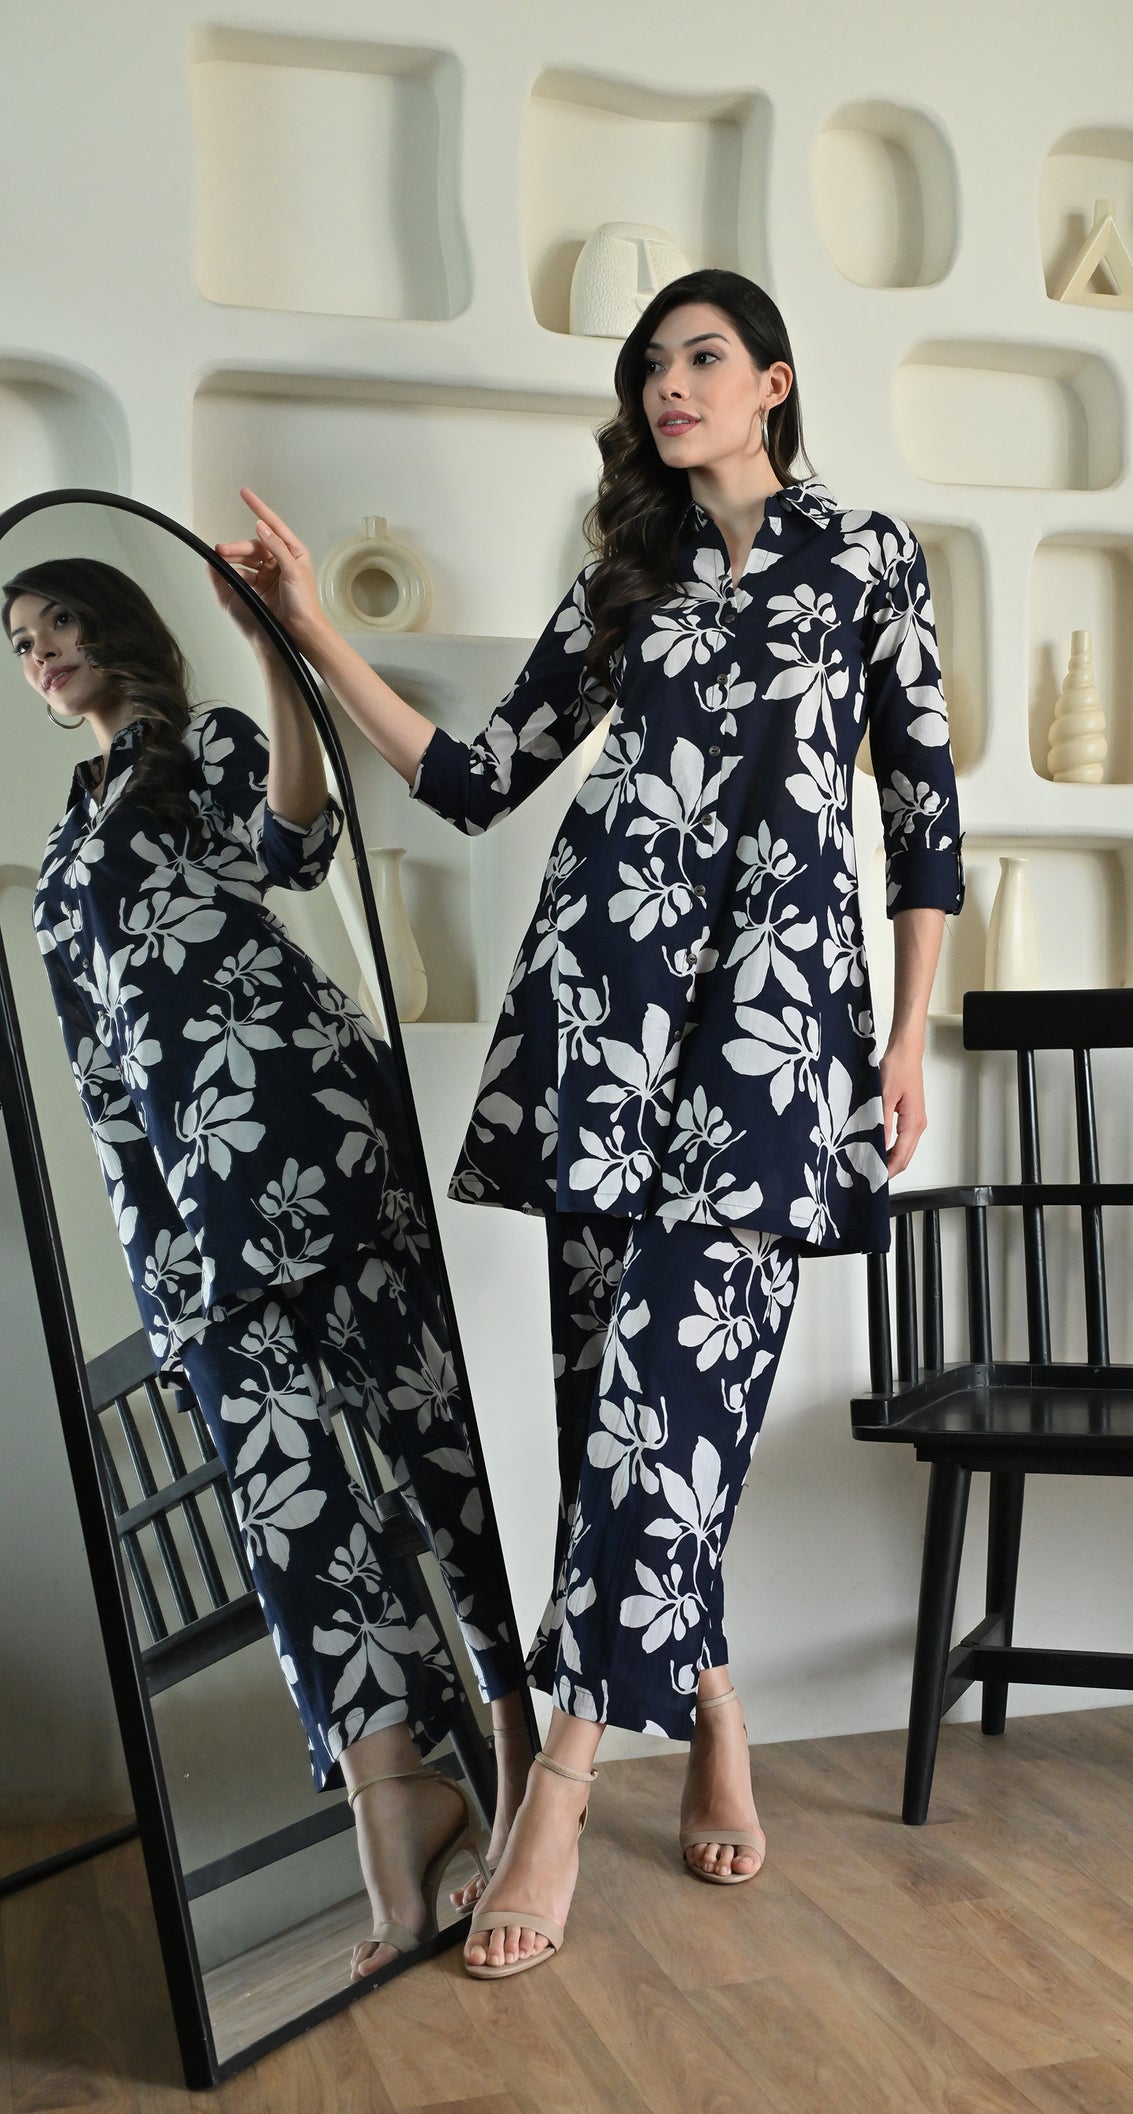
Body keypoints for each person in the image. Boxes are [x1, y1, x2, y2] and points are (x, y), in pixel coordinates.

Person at [220, 266, 963, 1979]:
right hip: (603, 1025)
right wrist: (306, 629)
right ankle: (712, 1697)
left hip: (774, 1037)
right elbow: (477, 777)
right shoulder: (625, 574)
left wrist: (906, 1033)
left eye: (701, 358)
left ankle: (560, 1782)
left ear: (773, 381)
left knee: (674, 1397)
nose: (667, 387)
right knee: (609, 1402)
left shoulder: (869, 560)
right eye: (648, 369)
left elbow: (923, 811)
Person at [6, 555, 517, 1979]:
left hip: (303, 1127)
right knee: (287, 1502)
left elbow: (296, 842)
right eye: (21, 643)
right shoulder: (64, 834)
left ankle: (519, 1742)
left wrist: (278, 658)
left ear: (113, 627)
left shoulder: (203, 746)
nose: (40, 654)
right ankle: (393, 1800)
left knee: (429, 1449)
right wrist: (152, 1238)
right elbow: (100, 1068)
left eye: (57, 624)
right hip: (181, 1206)